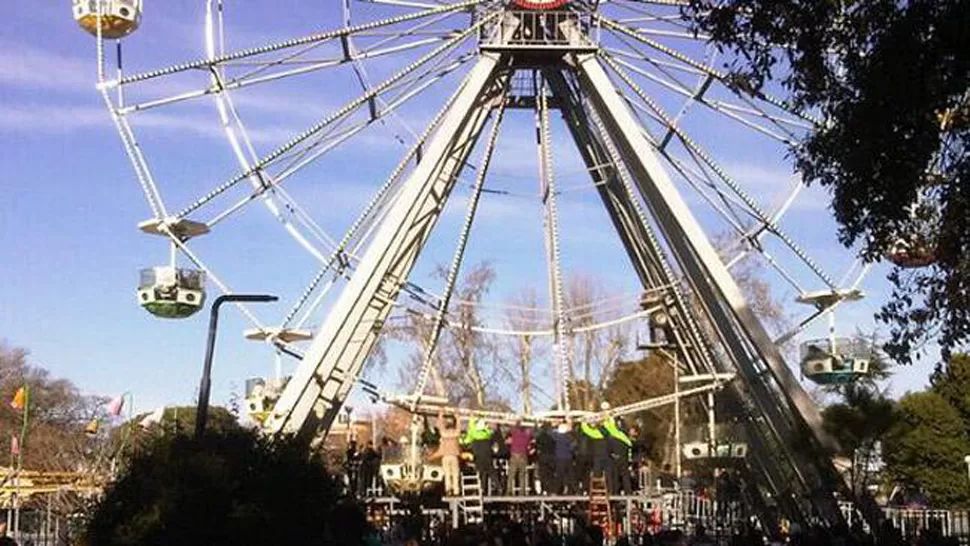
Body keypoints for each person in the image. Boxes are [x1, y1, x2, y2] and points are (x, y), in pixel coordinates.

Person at [461, 417, 501, 495]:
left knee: (480, 474)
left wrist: (471, 418)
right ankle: (498, 486)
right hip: (487, 455)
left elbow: (466, 441)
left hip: (478, 456)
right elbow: (490, 431)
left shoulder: (473, 433)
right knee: (491, 472)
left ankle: (480, 489)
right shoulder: (487, 433)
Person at [603, 413, 633, 495]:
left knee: (616, 476)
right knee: (623, 476)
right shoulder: (623, 435)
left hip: (617, 457)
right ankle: (627, 492)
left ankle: (615, 492)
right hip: (622, 457)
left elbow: (608, 425)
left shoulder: (613, 434)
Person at [436, 412, 462, 496]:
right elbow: (459, 428)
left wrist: (441, 415)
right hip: (454, 456)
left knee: (447, 474)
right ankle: (456, 491)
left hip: (445, 456)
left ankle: (448, 490)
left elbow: (440, 426)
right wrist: (457, 417)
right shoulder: (455, 434)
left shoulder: (444, 434)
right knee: (455, 474)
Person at [505, 420, 533, 496]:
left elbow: (511, 428)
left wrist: (517, 422)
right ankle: (522, 492)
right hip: (523, 455)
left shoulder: (515, 433)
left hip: (514, 455)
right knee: (522, 475)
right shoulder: (527, 436)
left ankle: (509, 491)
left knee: (511, 475)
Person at [552, 421, 575, 494]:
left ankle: (555, 491)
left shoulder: (556, 437)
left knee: (559, 476)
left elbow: (551, 433)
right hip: (568, 458)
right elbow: (573, 447)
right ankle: (576, 490)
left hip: (559, 458)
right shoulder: (569, 437)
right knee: (571, 476)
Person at [534, 422, 556, 495]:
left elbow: (537, 446)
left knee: (543, 474)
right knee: (550, 474)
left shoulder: (540, 437)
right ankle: (550, 489)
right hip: (551, 457)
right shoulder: (552, 437)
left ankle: (543, 489)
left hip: (542, 457)